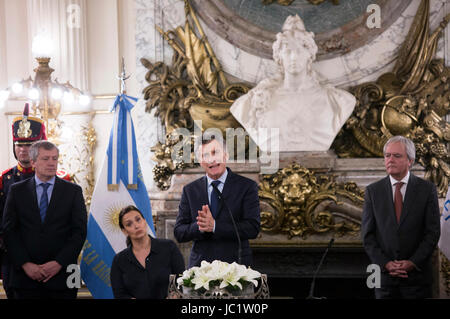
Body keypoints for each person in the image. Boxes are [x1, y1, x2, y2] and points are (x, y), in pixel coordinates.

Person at [230, 14, 355, 152]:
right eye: (288, 51)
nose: (294, 57)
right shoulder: (254, 101)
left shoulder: (337, 101)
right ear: (279, 57)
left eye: (299, 51)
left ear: (310, 55)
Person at [2, 140, 87, 299]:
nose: (51, 163)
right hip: (25, 277)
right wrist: (26, 264)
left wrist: (58, 263)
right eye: (45, 159)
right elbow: (9, 231)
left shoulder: (73, 191)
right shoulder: (17, 191)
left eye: (55, 158)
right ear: (33, 162)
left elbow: (79, 232)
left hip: (65, 274)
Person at [362, 135, 440, 299]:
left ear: (410, 161)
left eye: (397, 156)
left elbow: (432, 233)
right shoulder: (373, 191)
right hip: (383, 279)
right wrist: (386, 264)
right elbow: (368, 236)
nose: (390, 160)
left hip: (417, 279)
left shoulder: (427, 190)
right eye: (387, 155)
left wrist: (412, 263)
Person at [174, 135, 261, 268]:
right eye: (205, 155)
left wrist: (215, 226)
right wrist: (200, 226)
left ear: (226, 155)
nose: (211, 160)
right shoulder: (190, 190)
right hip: (201, 269)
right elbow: (179, 232)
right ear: (200, 161)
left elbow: (252, 228)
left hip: (236, 268)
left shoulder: (247, 187)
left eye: (215, 153)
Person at [0, 103, 47, 299]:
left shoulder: (60, 180)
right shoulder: (4, 180)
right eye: (19, 144)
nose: (23, 150)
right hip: (15, 264)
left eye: (29, 145)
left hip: (48, 263)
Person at [110, 205, 185, 299]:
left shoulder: (169, 247)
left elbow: (181, 280)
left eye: (138, 220)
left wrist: (174, 295)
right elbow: (119, 294)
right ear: (124, 231)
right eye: (129, 224)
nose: (136, 226)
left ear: (145, 221)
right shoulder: (119, 260)